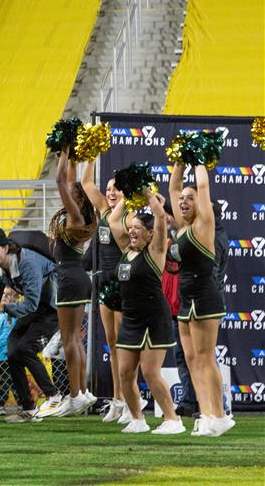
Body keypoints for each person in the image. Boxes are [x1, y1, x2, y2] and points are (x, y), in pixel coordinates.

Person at [107, 189, 183, 434]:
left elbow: (161, 219)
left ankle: (173, 420)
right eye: (132, 227)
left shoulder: (155, 252)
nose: (132, 231)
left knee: (150, 372)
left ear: (150, 234)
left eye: (138, 228)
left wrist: (148, 196)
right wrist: (129, 196)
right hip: (131, 318)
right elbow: (112, 221)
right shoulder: (126, 249)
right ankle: (138, 419)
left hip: (153, 317)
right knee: (125, 372)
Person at [168, 163, 232, 437]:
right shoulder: (182, 227)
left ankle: (220, 415)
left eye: (189, 198)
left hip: (206, 296)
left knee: (206, 358)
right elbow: (172, 187)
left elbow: (203, 186)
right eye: (181, 199)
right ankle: (205, 413)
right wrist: (179, 164)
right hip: (186, 298)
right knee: (192, 359)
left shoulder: (205, 226)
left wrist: (198, 161)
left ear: (201, 204)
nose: (182, 201)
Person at [0, 225, 62, 422]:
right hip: (35, 305)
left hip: (52, 306)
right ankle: (28, 408)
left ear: (6, 248)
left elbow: (31, 304)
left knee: (24, 348)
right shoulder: (0, 267)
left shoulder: (28, 262)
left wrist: (4, 308)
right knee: (12, 350)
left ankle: (54, 396)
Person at [49, 148, 97, 416]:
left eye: (72, 192)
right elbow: (68, 180)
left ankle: (76, 394)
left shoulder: (76, 216)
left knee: (69, 339)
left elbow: (60, 182)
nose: (67, 192)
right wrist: (72, 157)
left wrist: (64, 153)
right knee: (75, 339)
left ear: (76, 199)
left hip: (69, 277)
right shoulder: (80, 217)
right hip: (77, 277)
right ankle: (83, 392)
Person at [82, 160, 127, 423]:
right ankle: (117, 399)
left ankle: (127, 399)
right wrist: (90, 157)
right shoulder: (102, 210)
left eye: (117, 189)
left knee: (122, 345)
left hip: (119, 281)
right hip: (101, 282)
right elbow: (87, 184)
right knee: (112, 344)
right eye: (109, 188)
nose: (110, 193)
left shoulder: (127, 216)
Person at [0, 289, 18, 415]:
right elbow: (0, 334)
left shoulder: (14, 313)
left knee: (7, 379)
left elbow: (9, 333)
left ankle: (0, 404)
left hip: (9, 351)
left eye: (8, 295)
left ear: (16, 298)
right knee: (10, 380)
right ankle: (23, 403)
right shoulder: (2, 313)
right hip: (2, 352)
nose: (4, 297)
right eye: (4, 294)